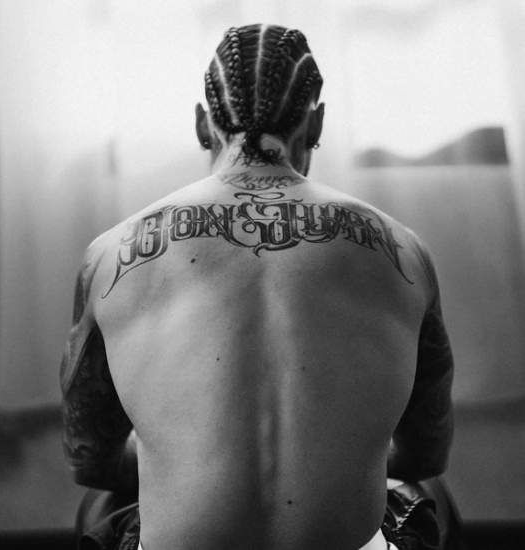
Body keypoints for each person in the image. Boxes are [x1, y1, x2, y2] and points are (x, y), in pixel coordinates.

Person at [61, 24, 455, 550]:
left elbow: (89, 458)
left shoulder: (112, 253)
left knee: (100, 503)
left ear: (202, 123)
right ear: (316, 121)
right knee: (431, 494)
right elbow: (424, 453)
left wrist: (176, 454)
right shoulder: (403, 250)